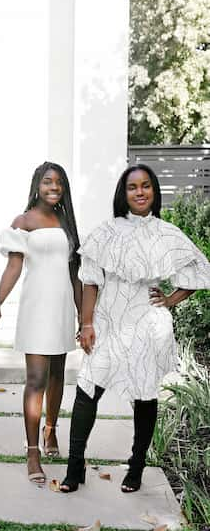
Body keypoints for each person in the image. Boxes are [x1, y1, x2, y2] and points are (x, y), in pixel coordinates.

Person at [60, 163, 210, 494]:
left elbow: (200, 269)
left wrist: (171, 300)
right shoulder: (106, 232)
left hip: (147, 325)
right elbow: (90, 282)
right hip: (108, 324)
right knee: (87, 390)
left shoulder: (167, 234)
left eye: (145, 186)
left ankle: (136, 466)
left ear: (154, 192)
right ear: (123, 193)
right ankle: (74, 467)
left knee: (145, 395)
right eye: (132, 187)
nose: (139, 192)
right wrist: (86, 322)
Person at [0, 162, 82, 484]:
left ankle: (51, 430)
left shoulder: (66, 223)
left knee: (58, 374)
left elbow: (76, 275)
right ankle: (32, 451)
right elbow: (14, 269)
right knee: (36, 379)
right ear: (37, 184)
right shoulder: (24, 221)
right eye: (48, 181)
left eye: (59, 182)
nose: (54, 187)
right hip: (36, 309)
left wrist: (84, 318)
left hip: (61, 308)